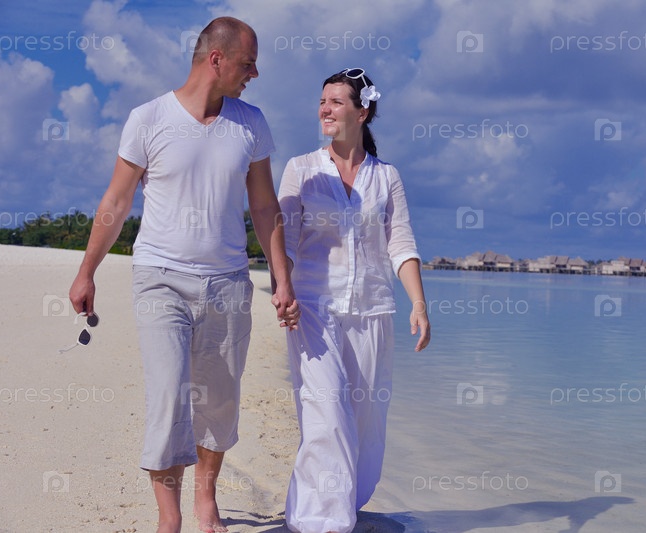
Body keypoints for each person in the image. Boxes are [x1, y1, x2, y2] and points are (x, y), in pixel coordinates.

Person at [68, 17, 299, 533]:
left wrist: (282, 279)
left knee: (219, 399)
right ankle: (168, 518)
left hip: (228, 282)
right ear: (216, 59)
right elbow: (116, 201)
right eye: (247, 63)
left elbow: (264, 206)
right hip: (160, 278)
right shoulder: (148, 118)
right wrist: (87, 271)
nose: (255, 73)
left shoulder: (251, 123)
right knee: (170, 394)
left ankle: (205, 496)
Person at [278, 68, 431, 533]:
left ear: (362, 112)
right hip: (311, 310)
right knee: (326, 415)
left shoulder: (387, 177)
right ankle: (320, 521)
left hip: (372, 311)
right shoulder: (300, 169)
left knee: (366, 422)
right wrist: (283, 288)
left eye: (336, 102)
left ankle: (345, 502)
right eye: (322, 101)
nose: (325, 109)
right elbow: (285, 239)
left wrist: (418, 304)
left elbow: (400, 242)